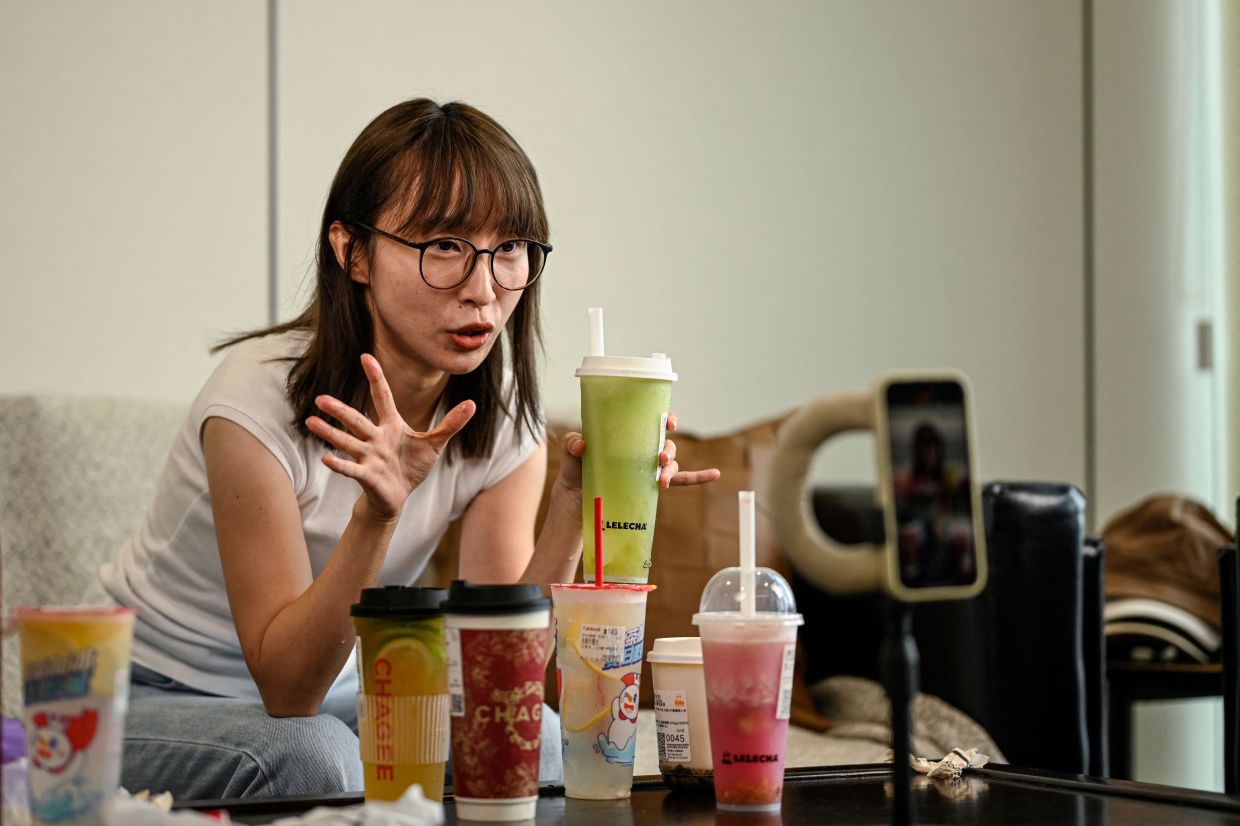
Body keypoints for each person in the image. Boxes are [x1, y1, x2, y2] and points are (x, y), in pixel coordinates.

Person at [86, 98, 720, 799]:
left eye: (509, 248)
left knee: (531, 743)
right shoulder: (254, 402)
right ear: (352, 252)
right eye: (444, 245)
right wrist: (377, 514)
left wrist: (573, 502)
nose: (483, 290)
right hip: (148, 694)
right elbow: (287, 688)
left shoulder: (499, 417)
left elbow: (494, 671)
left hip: (346, 689)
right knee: (310, 758)